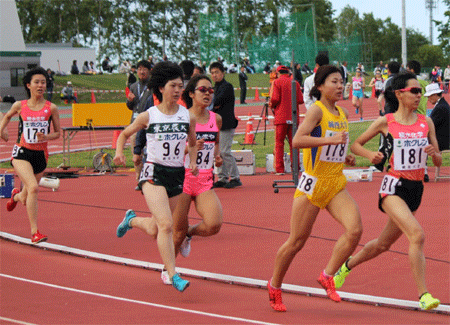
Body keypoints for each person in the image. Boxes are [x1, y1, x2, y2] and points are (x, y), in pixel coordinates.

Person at [335, 72, 442, 311]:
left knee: (383, 245)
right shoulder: (387, 121)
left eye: (420, 92)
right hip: (393, 187)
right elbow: (356, 144)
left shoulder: (427, 121)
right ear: (399, 94)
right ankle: (423, 295)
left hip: (416, 189)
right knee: (417, 235)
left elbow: (437, 162)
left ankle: (346, 266)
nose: (418, 96)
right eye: (414, 91)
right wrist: (370, 156)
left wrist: (434, 154)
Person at [268, 65, 362, 311]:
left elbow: (333, 149)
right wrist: (329, 140)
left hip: (335, 183)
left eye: (342, 81)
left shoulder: (341, 113)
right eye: (334, 81)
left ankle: (327, 275)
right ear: (319, 86)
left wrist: (345, 157)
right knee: (296, 242)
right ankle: (275, 285)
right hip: (313, 184)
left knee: (354, 231)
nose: (340, 86)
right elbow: (298, 140)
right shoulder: (316, 111)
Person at [113, 61, 198, 292]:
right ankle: (173, 274)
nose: (178, 90)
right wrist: (120, 152)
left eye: (181, 85)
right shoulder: (148, 115)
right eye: (173, 85)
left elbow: (192, 141)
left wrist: (192, 161)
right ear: (161, 88)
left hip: (176, 175)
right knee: (167, 225)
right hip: (153, 172)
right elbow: (124, 134)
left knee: (155, 229)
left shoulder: (186, 116)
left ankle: (131, 220)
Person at [169, 75, 223, 280]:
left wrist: (216, 157)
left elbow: (215, 142)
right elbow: (171, 151)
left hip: (204, 179)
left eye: (210, 90)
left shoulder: (215, 119)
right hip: (181, 178)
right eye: (203, 89)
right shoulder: (181, 118)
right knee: (176, 231)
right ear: (191, 93)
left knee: (214, 224)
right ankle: (169, 270)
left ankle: (189, 234)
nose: (208, 93)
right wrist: (189, 148)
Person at [0, 67, 61, 244]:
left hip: (40, 156)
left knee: (26, 197)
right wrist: (1, 130)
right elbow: (7, 116)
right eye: (37, 82)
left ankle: (16, 196)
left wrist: (46, 136)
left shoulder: (52, 108)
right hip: (22, 153)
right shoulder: (20, 105)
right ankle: (35, 232)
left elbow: (57, 133)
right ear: (29, 85)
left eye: (43, 82)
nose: (41, 85)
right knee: (34, 188)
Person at [209, 61, 241, 189]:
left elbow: (216, 101)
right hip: (215, 124)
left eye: (217, 72)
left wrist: (214, 104)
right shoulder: (214, 88)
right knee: (218, 153)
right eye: (212, 73)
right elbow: (213, 104)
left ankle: (235, 177)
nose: (214, 75)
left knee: (225, 151)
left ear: (223, 73)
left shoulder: (227, 87)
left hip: (226, 123)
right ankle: (222, 177)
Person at [269, 65, 304, 175]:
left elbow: (275, 99)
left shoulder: (277, 82)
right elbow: (300, 99)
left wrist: (271, 104)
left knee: (279, 143)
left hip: (281, 117)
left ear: (278, 73)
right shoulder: (295, 83)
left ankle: (280, 169)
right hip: (293, 117)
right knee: (294, 143)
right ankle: (295, 167)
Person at [126, 60, 152, 186]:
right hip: (135, 123)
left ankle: (149, 177)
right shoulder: (133, 86)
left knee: (151, 151)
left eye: (144, 69)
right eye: (139, 69)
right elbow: (130, 106)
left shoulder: (153, 86)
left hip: (150, 122)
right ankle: (139, 178)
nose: (141, 72)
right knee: (136, 150)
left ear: (149, 71)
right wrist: (129, 101)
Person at [424, 83, 450, 151]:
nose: (428, 99)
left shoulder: (440, 108)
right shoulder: (443, 105)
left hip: (441, 145)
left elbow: (430, 125)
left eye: (429, 96)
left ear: (435, 95)